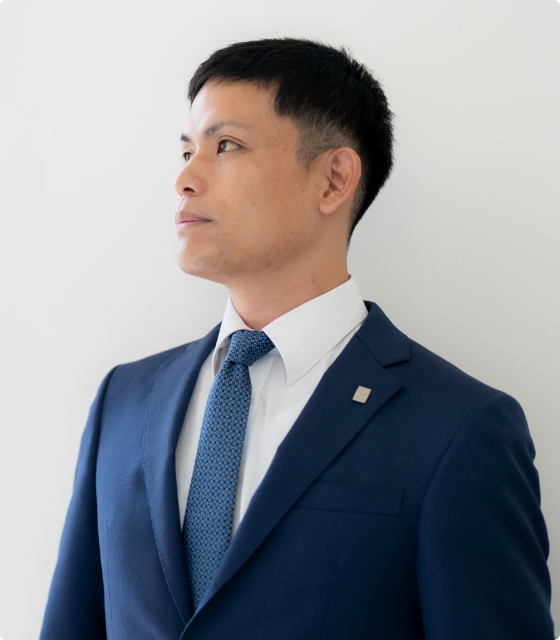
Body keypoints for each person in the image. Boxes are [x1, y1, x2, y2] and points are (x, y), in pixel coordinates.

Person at [39, 38, 554, 640]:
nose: (184, 178)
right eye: (185, 150)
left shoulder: (459, 429)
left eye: (225, 146)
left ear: (333, 180)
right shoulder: (123, 402)